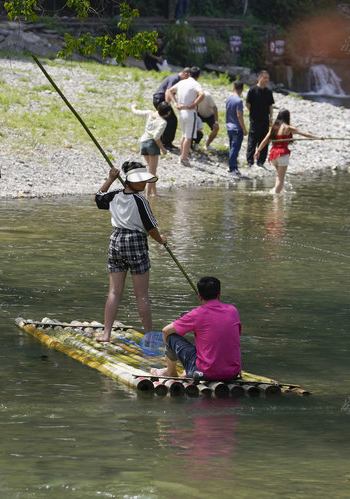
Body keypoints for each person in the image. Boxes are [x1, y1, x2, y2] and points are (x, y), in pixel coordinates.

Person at [94, 162, 167, 343]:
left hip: (116, 240)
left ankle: (106, 334)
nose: (144, 184)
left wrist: (110, 179)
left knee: (114, 292)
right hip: (135, 241)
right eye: (140, 181)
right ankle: (149, 336)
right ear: (130, 181)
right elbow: (151, 229)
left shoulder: (115, 195)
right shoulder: (140, 201)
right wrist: (161, 240)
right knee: (141, 295)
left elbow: (98, 197)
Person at [151, 276, 242, 381]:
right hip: (232, 373)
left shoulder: (197, 314)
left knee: (171, 336)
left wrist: (169, 348)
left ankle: (170, 372)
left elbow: (165, 330)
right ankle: (189, 369)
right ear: (219, 295)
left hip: (205, 374)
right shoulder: (233, 311)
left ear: (199, 296)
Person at [254, 109, 321, 194]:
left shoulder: (274, 128)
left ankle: (278, 194)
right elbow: (305, 134)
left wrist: (258, 150)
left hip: (273, 154)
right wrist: (319, 137)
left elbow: (265, 140)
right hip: (282, 154)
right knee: (280, 178)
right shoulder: (288, 128)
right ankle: (276, 198)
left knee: (279, 176)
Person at [130, 102, 171, 197]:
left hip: (143, 143)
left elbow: (136, 112)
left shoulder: (150, 113)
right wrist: (163, 149)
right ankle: (147, 195)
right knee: (152, 173)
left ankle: (154, 193)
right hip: (152, 145)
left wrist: (133, 107)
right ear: (168, 112)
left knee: (151, 170)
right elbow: (156, 137)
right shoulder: (163, 122)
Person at [167, 66, 205, 166]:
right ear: (198, 76)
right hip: (190, 111)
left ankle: (182, 155)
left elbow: (170, 91)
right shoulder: (196, 84)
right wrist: (194, 104)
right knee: (188, 136)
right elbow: (202, 94)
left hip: (180, 110)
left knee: (184, 135)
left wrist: (175, 102)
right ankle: (184, 158)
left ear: (189, 74)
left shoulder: (182, 82)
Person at [154, 67, 188, 151]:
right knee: (171, 121)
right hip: (160, 100)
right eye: (187, 78)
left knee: (168, 120)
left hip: (160, 100)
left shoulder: (176, 77)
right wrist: (167, 105)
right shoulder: (175, 79)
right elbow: (167, 92)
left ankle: (165, 142)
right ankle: (165, 143)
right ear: (185, 75)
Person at [245, 70, 274, 168]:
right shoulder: (252, 90)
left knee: (264, 140)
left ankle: (261, 161)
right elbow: (247, 104)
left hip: (265, 119)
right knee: (252, 141)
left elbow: (270, 105)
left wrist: (271, 117)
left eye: (268, 78)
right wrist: (254, 112)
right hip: (255, 120)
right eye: (265, 78)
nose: (267, 80)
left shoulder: (268, 91)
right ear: (259, 78)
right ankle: (250, 161)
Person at [225, 81, 247, 175]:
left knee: (232, 147)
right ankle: (232, 168)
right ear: (242, 89)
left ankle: (232, 166)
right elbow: (239, 115)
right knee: (235, 148)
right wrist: (244, 128)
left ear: (233, 88)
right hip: (237, 128)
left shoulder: (228, 98)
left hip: (229, 127)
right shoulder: (239, 101)